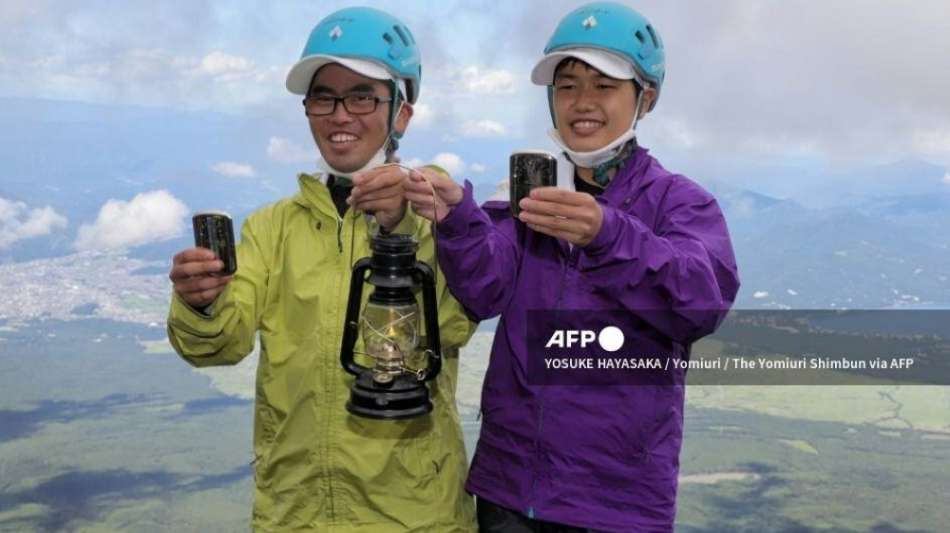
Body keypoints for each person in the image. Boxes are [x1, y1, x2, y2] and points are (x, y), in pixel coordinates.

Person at [405, 2, 740, 531]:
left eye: (604, 85)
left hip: (618, 504)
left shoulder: (680, 203)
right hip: (509, 491)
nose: (582, 102)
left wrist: (608, 235)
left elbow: (700, 305)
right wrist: (457, 219)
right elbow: (483, 291)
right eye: (567, 85)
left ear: (645, 98)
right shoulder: (527, 192)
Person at [166, 7, 477, 532]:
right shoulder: (272, 228)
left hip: (414, 517)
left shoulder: (438, 215)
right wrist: (202, 302)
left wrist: (402, 228)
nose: (339, 115)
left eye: (362, 96)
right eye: (323, 96)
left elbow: (452, 324)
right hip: (294, 514)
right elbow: (220, 346)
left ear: (401, 113)